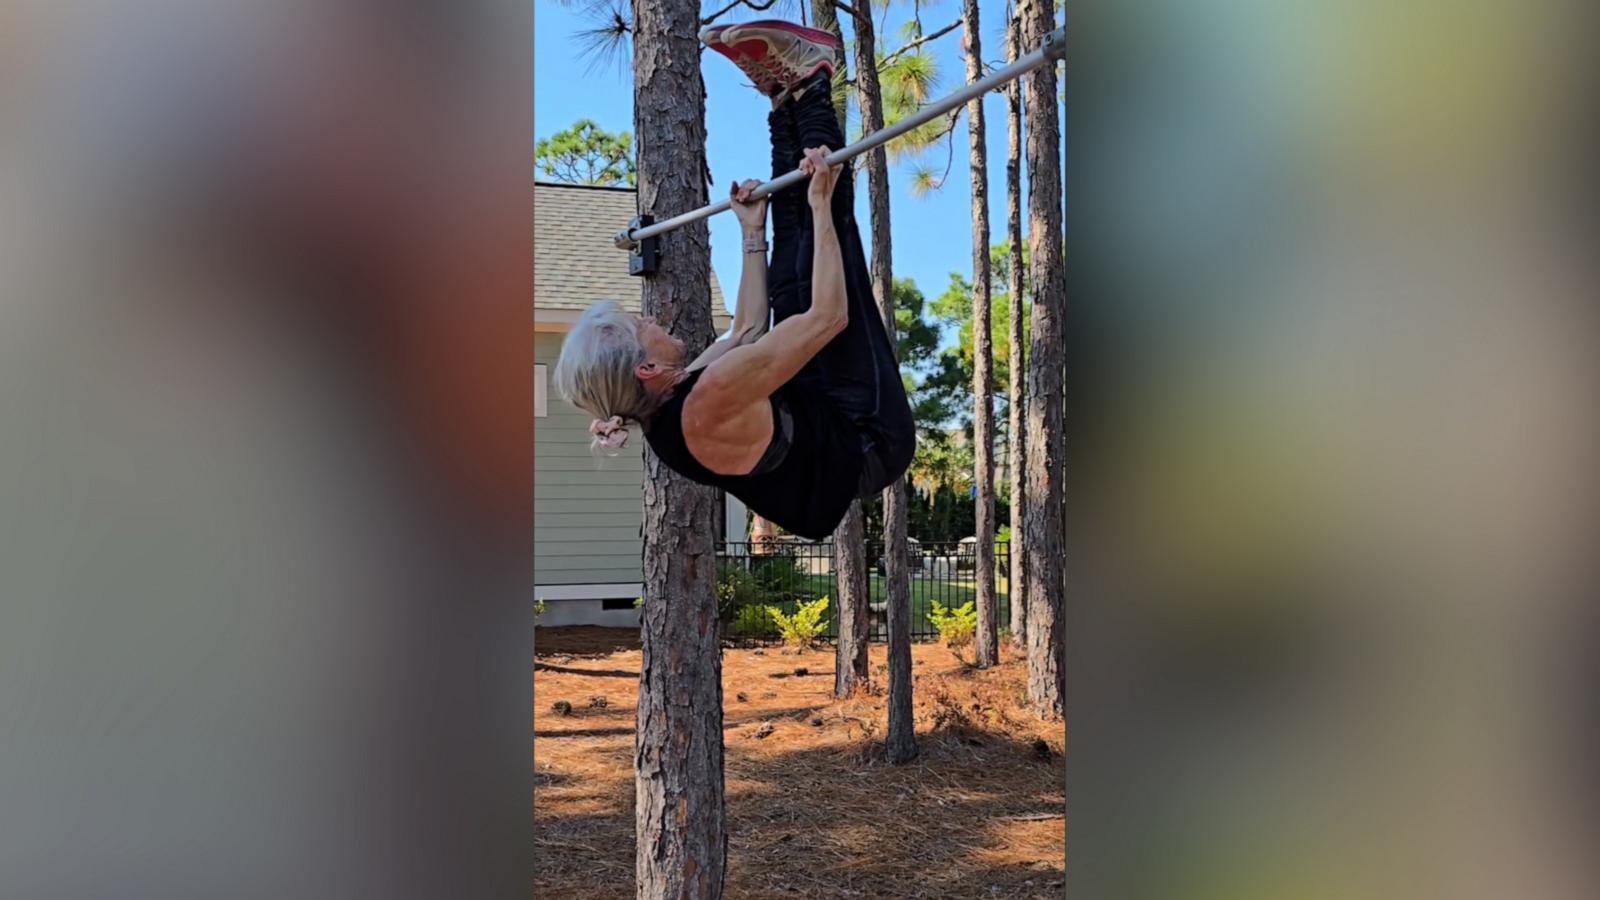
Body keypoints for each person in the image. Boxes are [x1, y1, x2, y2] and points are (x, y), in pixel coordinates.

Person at [553, 21, 914, 540]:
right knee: (823, 235)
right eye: (641, 324)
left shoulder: (667, 402)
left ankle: (780, 99)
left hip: (816, 413)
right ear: (649, 367)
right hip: (867, 437)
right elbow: (830, 317)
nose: (650, 317)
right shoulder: (708, 397)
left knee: (792, 274)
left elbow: (745, 331)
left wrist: (752, 231)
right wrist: (820, 210)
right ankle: (812, 82)